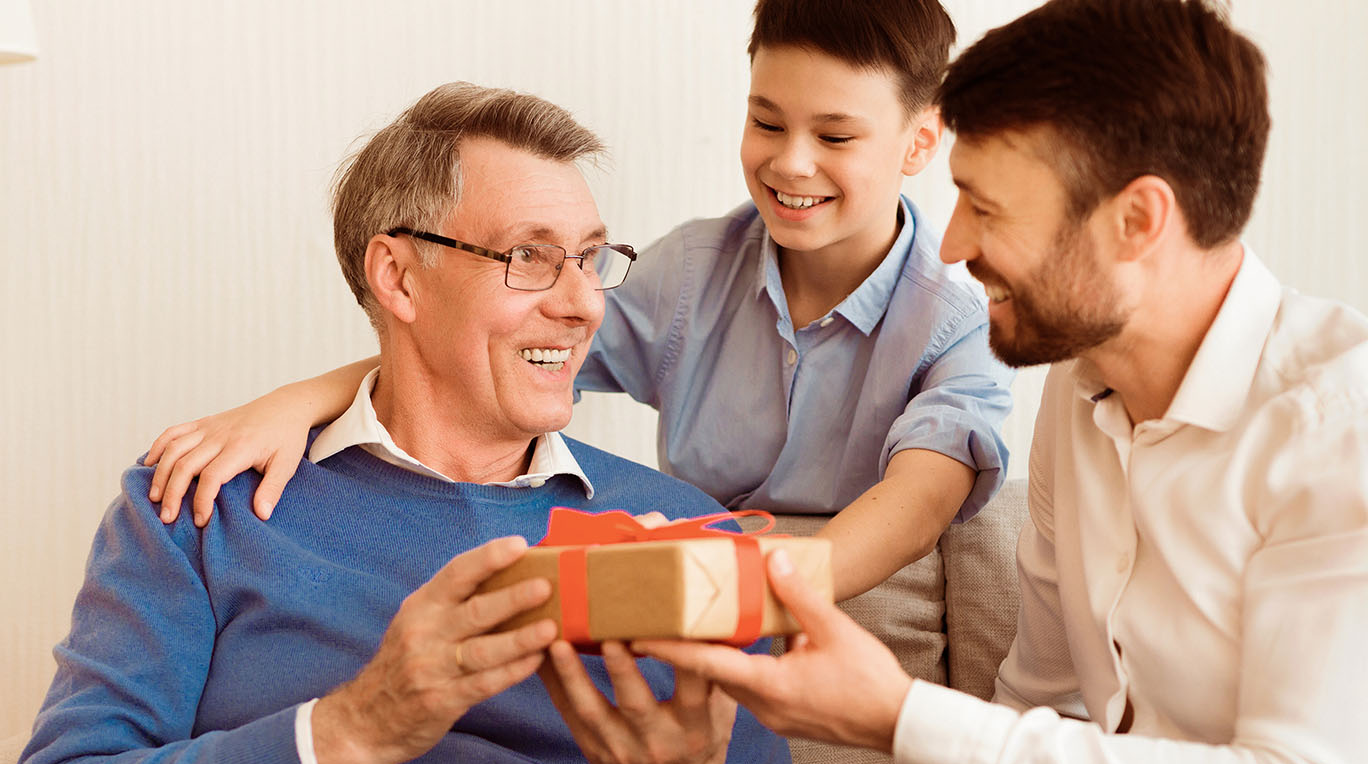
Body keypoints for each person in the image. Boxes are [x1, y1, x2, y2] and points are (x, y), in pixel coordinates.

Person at [640, 1, 1368, 764]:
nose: (955, 246)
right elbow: (1047, 704)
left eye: (989, 207)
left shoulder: (1359, 438)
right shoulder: (1078, 390)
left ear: (1137, 219)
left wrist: (899, 715)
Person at [1, 83, 809, 764]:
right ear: (399, 276)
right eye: (529, 257)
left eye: (591, 258)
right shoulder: (202, 504)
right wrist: (358, 726)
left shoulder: (691, 541)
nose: (583, 303)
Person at [138, 0, 1014, 602]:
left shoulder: (956, 321)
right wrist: (290, 404)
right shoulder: (690, 271)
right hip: (697, 554)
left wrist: (757, 582)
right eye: (766, 121)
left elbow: (923, 498)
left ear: (920, 141)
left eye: (835, 136)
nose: (790, 162)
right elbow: (496, 342)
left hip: (834, 580)